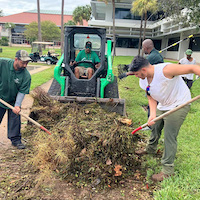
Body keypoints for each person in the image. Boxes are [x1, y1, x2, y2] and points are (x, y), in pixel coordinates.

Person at [128, 56, 200, 182]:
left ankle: (167, 171)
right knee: (155, 127)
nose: (136, 76)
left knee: (169, 136)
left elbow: (193, 68)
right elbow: (150, 96)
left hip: (179, 104)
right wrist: (152, 114)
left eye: (137, 74)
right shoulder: (143, 80)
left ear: (144, 70)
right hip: (164, 104)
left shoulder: (166, 70)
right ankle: (150, 149)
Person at [0, 50, 31, 149]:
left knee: (15, 118)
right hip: (1, 97)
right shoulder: (2, 63)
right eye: (23, 62)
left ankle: (16, 140)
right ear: (16, 59)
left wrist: (17, 105)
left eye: (27, 63)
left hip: (13, 100)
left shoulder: (26, 76)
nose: (25, 65)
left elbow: (22, 92)